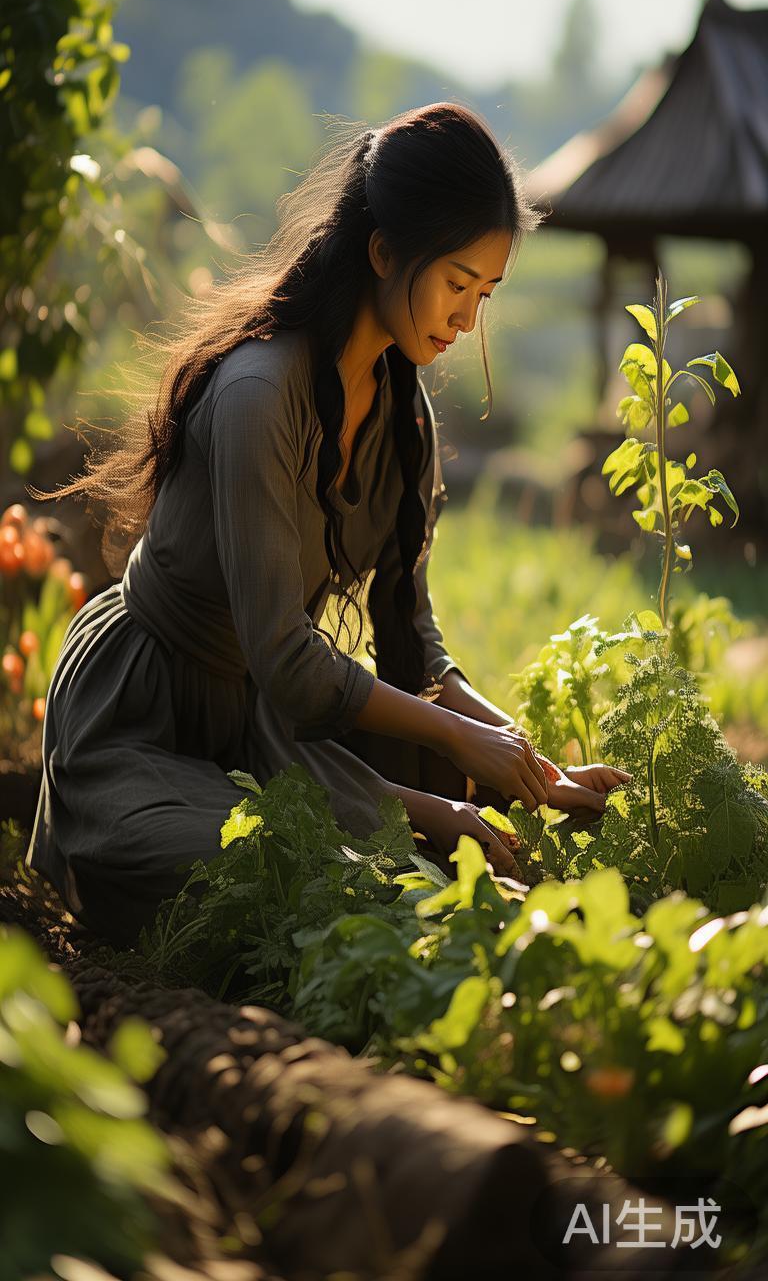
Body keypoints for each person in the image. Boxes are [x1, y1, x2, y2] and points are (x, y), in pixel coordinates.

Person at [25, 101, 629, 948]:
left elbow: (411, 648)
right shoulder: (258, 396)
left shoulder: (400, 411)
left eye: (485, 293)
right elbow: (290, 664)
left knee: (436, 843)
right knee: (293, 863)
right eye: (457, 284)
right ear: (384, 252)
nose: (468, 320)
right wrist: (454, 768)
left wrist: (531, 765)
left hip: (260, 732)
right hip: (143, 721)